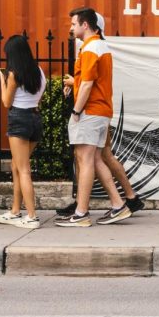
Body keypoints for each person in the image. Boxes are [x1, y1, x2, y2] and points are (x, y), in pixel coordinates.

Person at [55, 13, 144, 219]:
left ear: (86, 25)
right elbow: (89, 81)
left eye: (74, 24)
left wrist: (76, 110)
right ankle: (119, 202)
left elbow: (88, 83)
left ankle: (82, 212)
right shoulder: (101, 47)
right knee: (97, 158)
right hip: (101, 110)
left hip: (91, 111)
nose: (71, 28)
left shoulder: (90, 48)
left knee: (88, 159)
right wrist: (75, 84)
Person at [0, 33, 44, 229]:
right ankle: (15, 211)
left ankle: (31, 216)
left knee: (23, 169)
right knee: (16, 165)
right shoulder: (39, 71)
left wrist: (2, 78)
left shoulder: (13, 74)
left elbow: (6, 102)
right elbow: (39, 98)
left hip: (19, 119)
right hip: (35, 118)